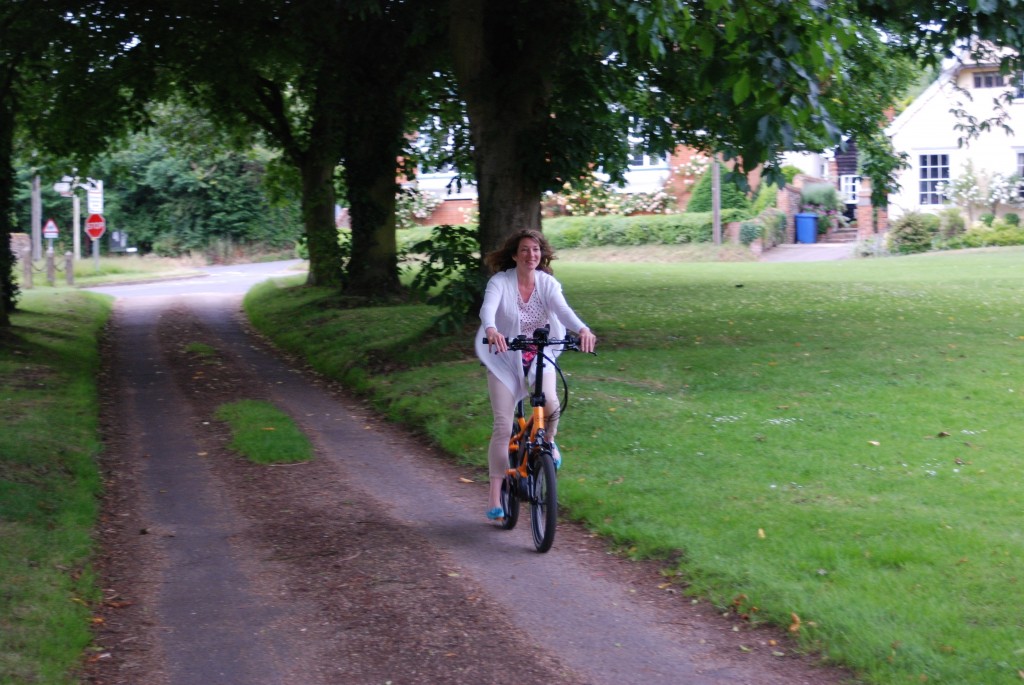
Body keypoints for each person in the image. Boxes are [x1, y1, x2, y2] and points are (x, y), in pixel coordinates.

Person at [475, 228, 597, 522]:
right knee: (504, 426)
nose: (532, 255)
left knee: (552, 404)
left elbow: (563, 310)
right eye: (525, 250)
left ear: (541, 255)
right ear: (515, 255)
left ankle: (548, 442)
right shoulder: (500, 282)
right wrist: (492, 330)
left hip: (539, 353)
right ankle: (495, 494)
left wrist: (581, 328)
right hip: (503, 356)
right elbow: (487, 310)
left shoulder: (547, 284)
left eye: (536, 249)